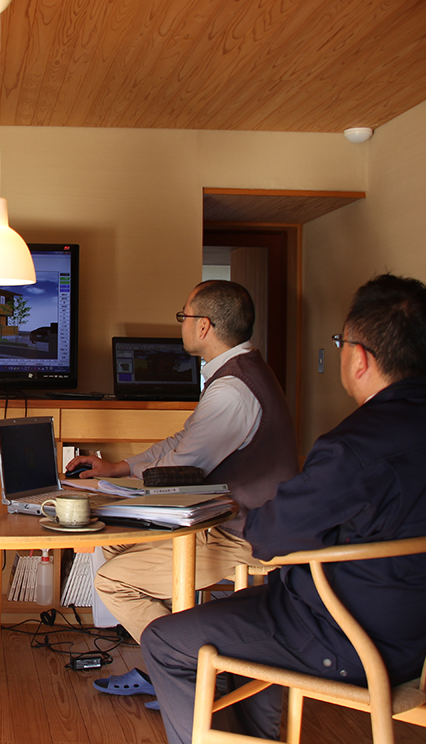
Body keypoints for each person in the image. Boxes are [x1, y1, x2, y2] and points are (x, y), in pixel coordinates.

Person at [141, 274, 426, 744]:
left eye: (340, 343)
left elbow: (270, 538)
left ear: (360, 358)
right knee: (236, 617)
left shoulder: (352, 448)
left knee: (165, 640)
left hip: (344, 641)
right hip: (424, 641)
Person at [65, 280, 298, 698]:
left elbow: (182, 467)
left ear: (204, 326)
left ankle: (187, 674)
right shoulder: (236, 373)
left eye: (184, 316)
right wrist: (117, 467)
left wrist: (107, 490)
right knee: (115, 541)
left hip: (242, 534)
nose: (182, 324)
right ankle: (180, 653)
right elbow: (182, 441)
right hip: (231, 518)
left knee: (111, 582)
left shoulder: (232, 390)